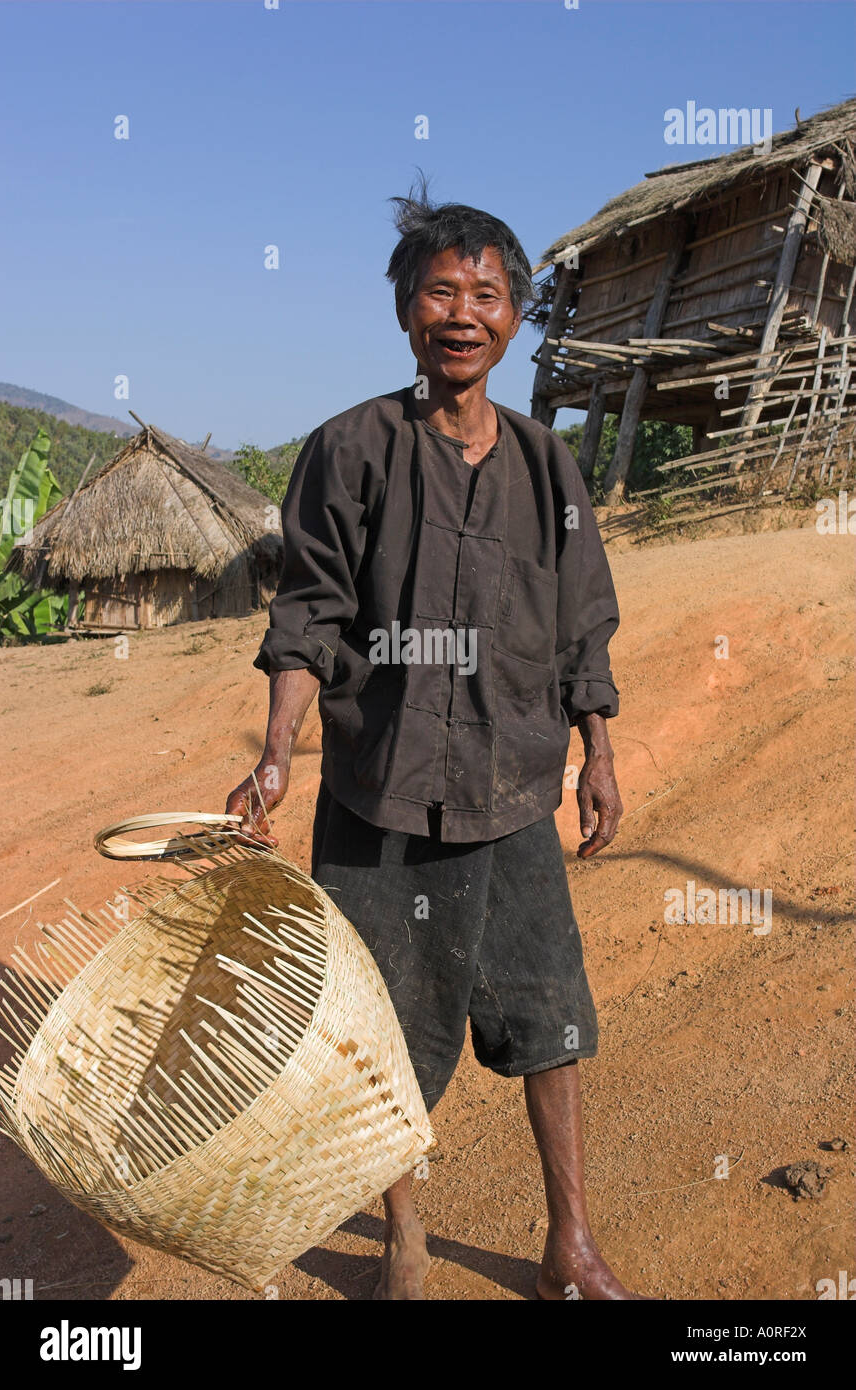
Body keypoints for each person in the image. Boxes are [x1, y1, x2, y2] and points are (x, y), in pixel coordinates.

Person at [226, 184, 645, 1301]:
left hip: (511, 789)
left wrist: (596, 752)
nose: (462, 312)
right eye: (439, 291)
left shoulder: (547, 470)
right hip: (378, 794)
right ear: (406, 313)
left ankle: (570, 1246)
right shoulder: (348, 450)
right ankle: (402, 1239)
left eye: (487, 293)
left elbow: (580, 624)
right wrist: (277, 751)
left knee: (546, 1014)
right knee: (376, 1039)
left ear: (515, 319)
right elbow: (305, 616)